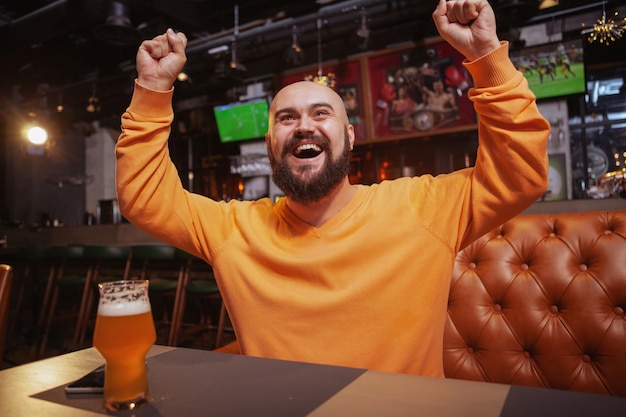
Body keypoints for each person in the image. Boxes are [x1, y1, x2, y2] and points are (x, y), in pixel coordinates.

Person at [116, 0, 548, 378]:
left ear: (351, 136)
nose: (304, 124)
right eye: (286, 118)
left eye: (321, 113)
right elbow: (145, 198)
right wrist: (153, 90)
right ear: (271, 144)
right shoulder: (234, 229)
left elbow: (519, 174)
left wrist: (487, 56)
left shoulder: (422, 208)